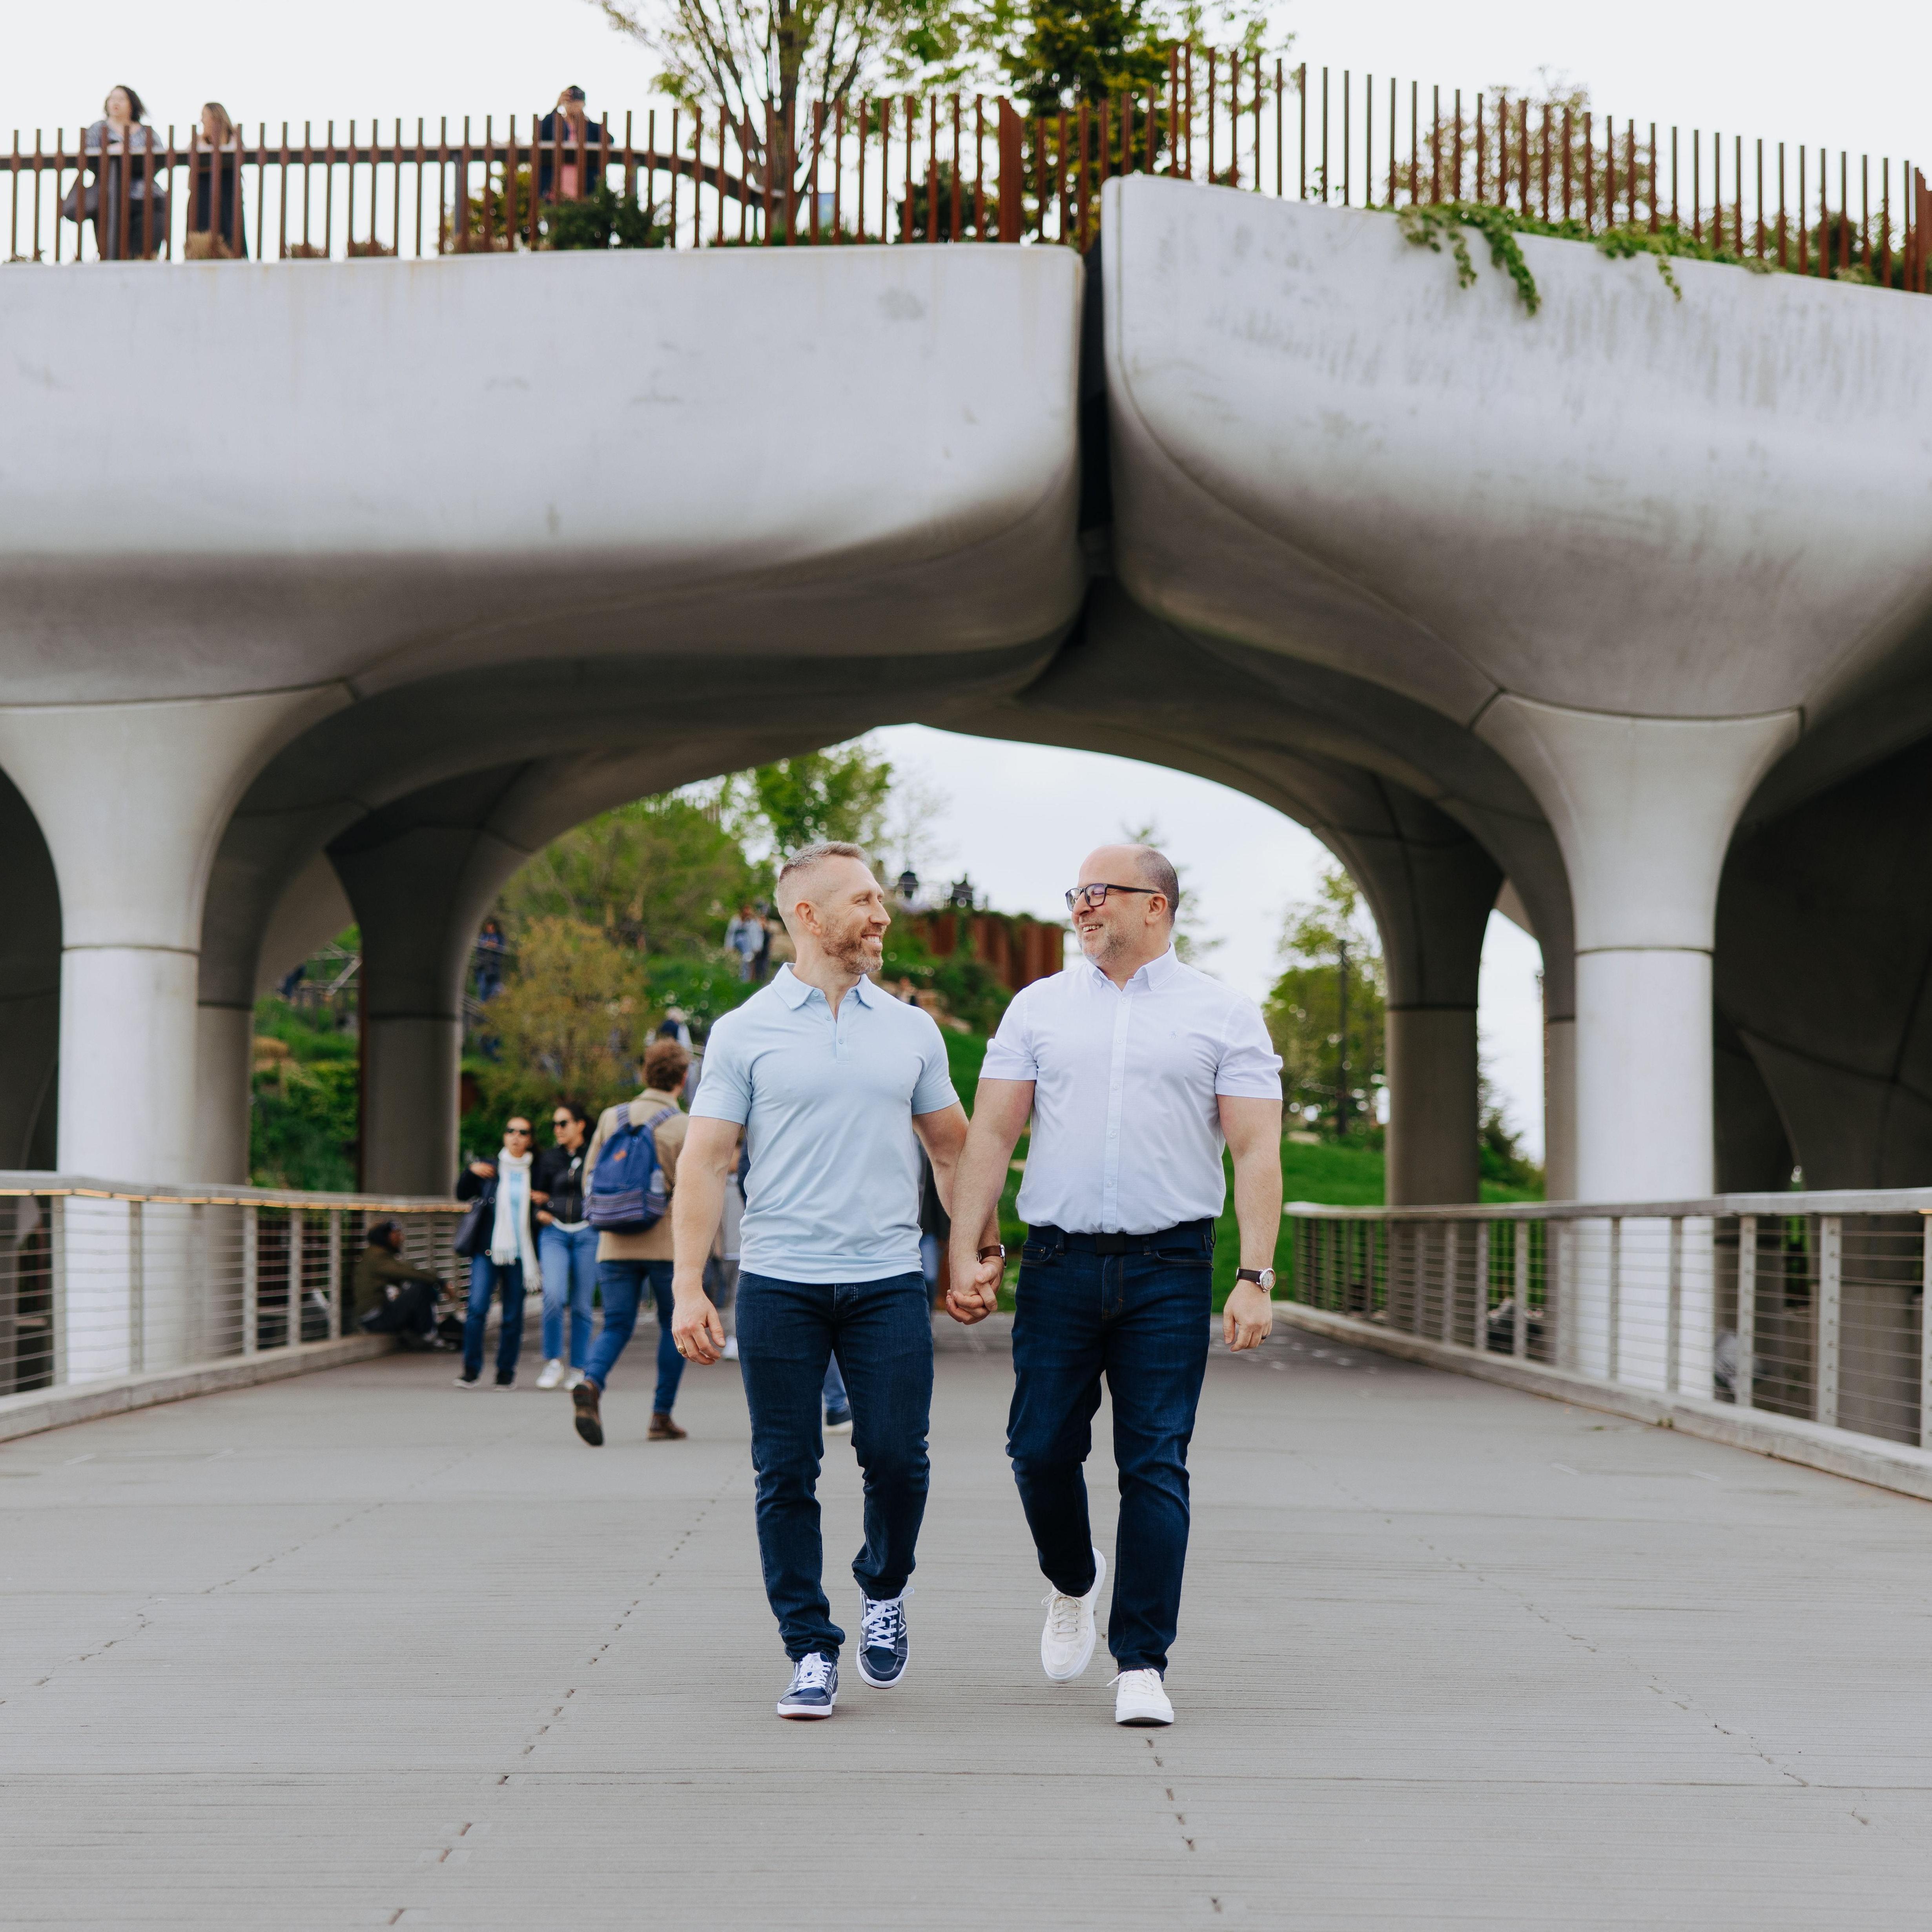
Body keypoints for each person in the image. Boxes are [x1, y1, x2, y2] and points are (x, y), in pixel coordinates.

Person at [947, 844, 1284, 1729]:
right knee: (1037, 1449)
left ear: (1155, 907)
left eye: (1098, 894)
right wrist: (964, 1245)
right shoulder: (1037, 1008)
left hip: (1170, 1267)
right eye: (1076, 894)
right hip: (1056, 1262)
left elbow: (1255, 1149)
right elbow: (989, 1134)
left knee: (1155, 1462)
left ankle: (1141, 1661)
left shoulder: (1222, 1015)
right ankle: (1072, 1579)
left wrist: (1252, 1273)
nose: (1080, 908)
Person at [669, 841, 988, 1721]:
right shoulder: (743, 1031)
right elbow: (705, 1161)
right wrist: (687, 1285)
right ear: (806, 916)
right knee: (786, 1467)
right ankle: (809, 1646)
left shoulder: (911, 1029)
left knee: (895, 1455)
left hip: (887, 1277)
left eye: (881, 897)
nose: (881, 914)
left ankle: (883, 1587)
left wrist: (971, 1254)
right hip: (779, 1281)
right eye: (863, 900)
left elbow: (953, 1147)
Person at [570, 1037, 692, 1445]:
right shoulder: (683, 1125)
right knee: (675, 1329)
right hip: (668, 1245)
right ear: (683, 1077)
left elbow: (589, 1176)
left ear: (644, 1073)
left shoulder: (611, 1117)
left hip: (614, 1241)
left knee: (617, 1323)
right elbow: (693, 1190)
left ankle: (591, 1382)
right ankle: (661, 1416)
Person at [454, 1117, 541, 1389]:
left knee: (513, 1316)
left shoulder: (537, 1171)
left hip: (520, 1254)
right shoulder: (490, 1168)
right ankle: (471, 1370)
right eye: (510, 1131)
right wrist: (470, 1171)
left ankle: (506, 1373)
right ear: (504, 1136)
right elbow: (461, 1193)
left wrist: (545, 1200)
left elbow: (550, 1197)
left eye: (523, 1132)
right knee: (477, 1309)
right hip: (487, 1249)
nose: (516, 1136)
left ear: (530, 1139)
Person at [532, 1100, 596, 1391]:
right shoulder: (548, 1158)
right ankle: (554, 1362)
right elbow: (535, 1195)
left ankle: (579, 1368)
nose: (557, 1130)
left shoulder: (596, 1154)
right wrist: (540, 1212)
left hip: (588, 1232)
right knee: (554, 1296)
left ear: (580, 1125)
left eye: (563, 1124)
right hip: (555, 1232)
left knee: (583, 1304)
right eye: (555, 1125)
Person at [73, 86, 166, 261]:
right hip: (109, 197)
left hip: (145, 197)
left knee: (143, 253)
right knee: (112, 253)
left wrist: (134, 152)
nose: (115, 102)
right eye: (112, 98)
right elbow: (88, 157)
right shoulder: (98, 129)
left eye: (121, 99)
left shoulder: (147, 132)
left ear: (132, 105)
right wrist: (111, 150)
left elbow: (160, 158)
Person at [352, 1219, 450, 1350]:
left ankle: (422, 1333)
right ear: (385, 1236)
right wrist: (440, 1282)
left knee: (418, 1289)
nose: (401, 1239)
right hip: (376, 1320)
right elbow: (410, 1273)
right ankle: (427, 1335)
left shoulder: (375, 1255)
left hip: (378, 1316)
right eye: (397, 1235)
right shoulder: (377, 1257)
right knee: (421, 1289)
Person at [188, 102, 247, 256]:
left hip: (228, 194)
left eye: (205, 116)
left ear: (216, 117)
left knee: (231, 232)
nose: (202, 121)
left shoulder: (234, 139)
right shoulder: (199, 141)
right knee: (202, 229)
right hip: (203, 194)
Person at [536, 87, 608, 201]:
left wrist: (583, 119)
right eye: (570, 102)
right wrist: (556, 108)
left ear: (583, 104)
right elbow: (538, 134)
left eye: (577, 103)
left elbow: (608, 140)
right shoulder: (555, 125)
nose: (573, 106)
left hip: (584, 195)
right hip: (554, 195)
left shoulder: (590, 128)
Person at [725, 903, 762, 983]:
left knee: (746, 963)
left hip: (750, 946)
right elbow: (730, 933)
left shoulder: (754, 923)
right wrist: (729, 946)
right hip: (738, 944)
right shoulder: (735, 921)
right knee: (742, 941)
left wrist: (757, 947)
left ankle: (745, 980)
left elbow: (758, 935)